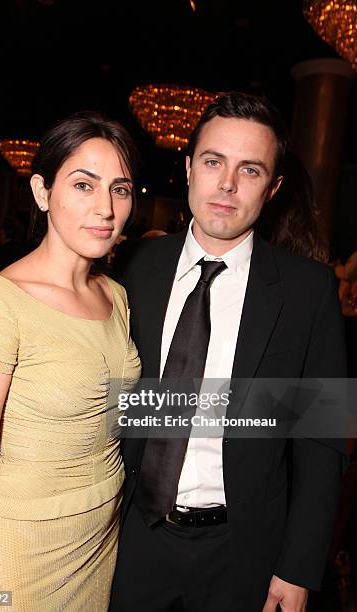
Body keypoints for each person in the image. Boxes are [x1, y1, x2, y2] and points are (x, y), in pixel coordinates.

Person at [110, 92, 347, 612]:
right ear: (189, 167)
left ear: (273, 187)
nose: (227, 184)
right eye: (214, 161)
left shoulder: (308, 292)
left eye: (251, 170)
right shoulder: (126, 269)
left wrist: (298, 566)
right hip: (130, 538)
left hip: (244, 553)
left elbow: (321, 441)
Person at [0, 110, 141, 610]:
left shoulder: (117, 296)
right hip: (24, 553)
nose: (105, 208)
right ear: (42, 192)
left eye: (120, 190)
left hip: (103, 537)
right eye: (84, 185)